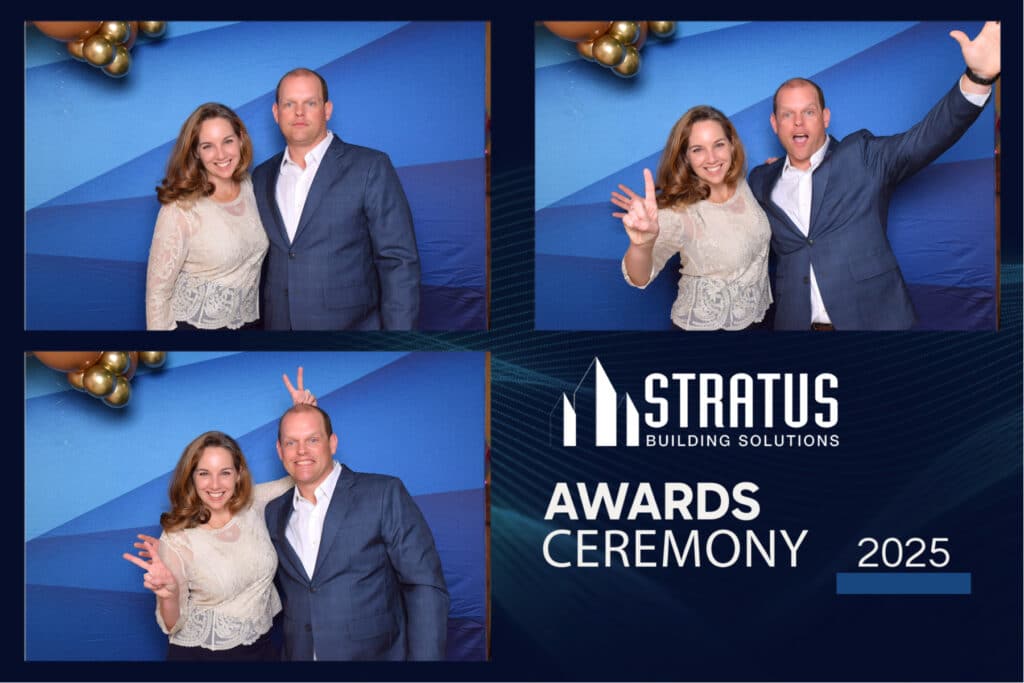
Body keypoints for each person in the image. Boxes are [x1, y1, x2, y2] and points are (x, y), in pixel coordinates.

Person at [748, 21, 1000, 331]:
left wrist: (978, 78)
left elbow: (925, 138)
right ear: (775, 123)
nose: (798, 122)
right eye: (788, 114)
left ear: (825, 118)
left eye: (809, 112)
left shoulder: (862, 156)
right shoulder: (760, 180)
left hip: (873, 324)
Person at [121, 369, 316, 660]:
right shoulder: (176, 539)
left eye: (225, 473)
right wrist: (168, 593)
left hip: (263, 648)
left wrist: (307, 419)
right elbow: (173, 624)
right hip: (203, 657)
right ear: (191, 477)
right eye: (204, 474)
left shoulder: (253, 503)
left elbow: (307, 472)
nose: (215, 485)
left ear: (238, 475)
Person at [265, 402, 449, 660]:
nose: (302, 451)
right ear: (280, 451)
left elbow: (424, 586)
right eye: (291, 442)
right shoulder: (274, 512)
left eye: (313, 439)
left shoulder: (383, 494)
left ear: (332, 443)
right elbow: (230, 495)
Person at [252, 68, 421, 330]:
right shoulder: (261, 176)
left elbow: (398, 261)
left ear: (327, 110)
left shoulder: (370, 166)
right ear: (276, 113)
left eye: (310, 102)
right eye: (289, 104)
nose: (299, 112)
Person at [612, 106, 772, 330]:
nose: (712, 158)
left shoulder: (741, 183)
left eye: (719, 144)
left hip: (757, 320)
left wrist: (781, 170)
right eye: (698, 150)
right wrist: (642, 245)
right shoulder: (677, 212)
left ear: (732, 145)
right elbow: (639, 278)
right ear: (685, 157)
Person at [145, 103, 268, 330]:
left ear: (241, 139)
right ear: (196, 152)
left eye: (228, 141)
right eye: (208, 146)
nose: (221, 154)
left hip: (251, 325)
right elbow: (157, 293)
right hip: (194, 329)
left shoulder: (252, 186)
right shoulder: (180, 208)